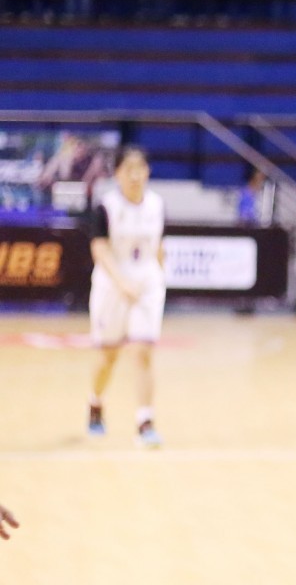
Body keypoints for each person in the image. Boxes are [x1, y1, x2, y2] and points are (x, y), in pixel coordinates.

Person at [87, 146, 167, 448]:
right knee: (108, 356)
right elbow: (99, 249)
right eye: (128, 169)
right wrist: (122, 283)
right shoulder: (106, 207)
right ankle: (95, 403)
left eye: (140, 169)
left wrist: (160, 277)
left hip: (146, 284)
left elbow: (159, 246)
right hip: (111, 286)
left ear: (148, 172)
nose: (135, 175)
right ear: (117, 173)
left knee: (142, 352)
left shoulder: (157, 205)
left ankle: (145, 422)